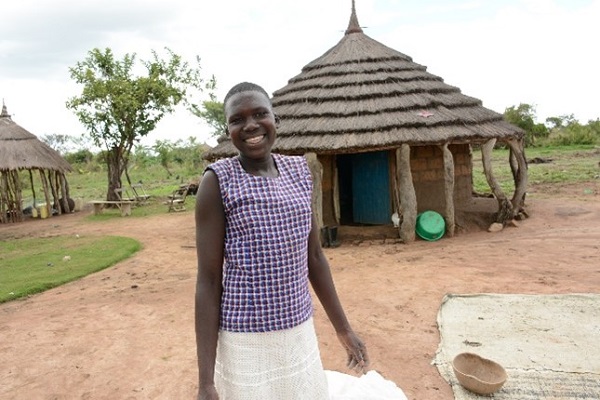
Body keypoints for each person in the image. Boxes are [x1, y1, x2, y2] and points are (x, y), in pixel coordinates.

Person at [194, 82, 368, 399]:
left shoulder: (299, 172)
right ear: (228, 129)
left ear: (276, 119)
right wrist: (206, 381)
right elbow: (208, 280)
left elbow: (314, 257)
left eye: (260, 114)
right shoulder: (218, 181)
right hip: (244, 338)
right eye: (237, 119)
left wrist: (344, 329)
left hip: (297, 328)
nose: (250, 126)